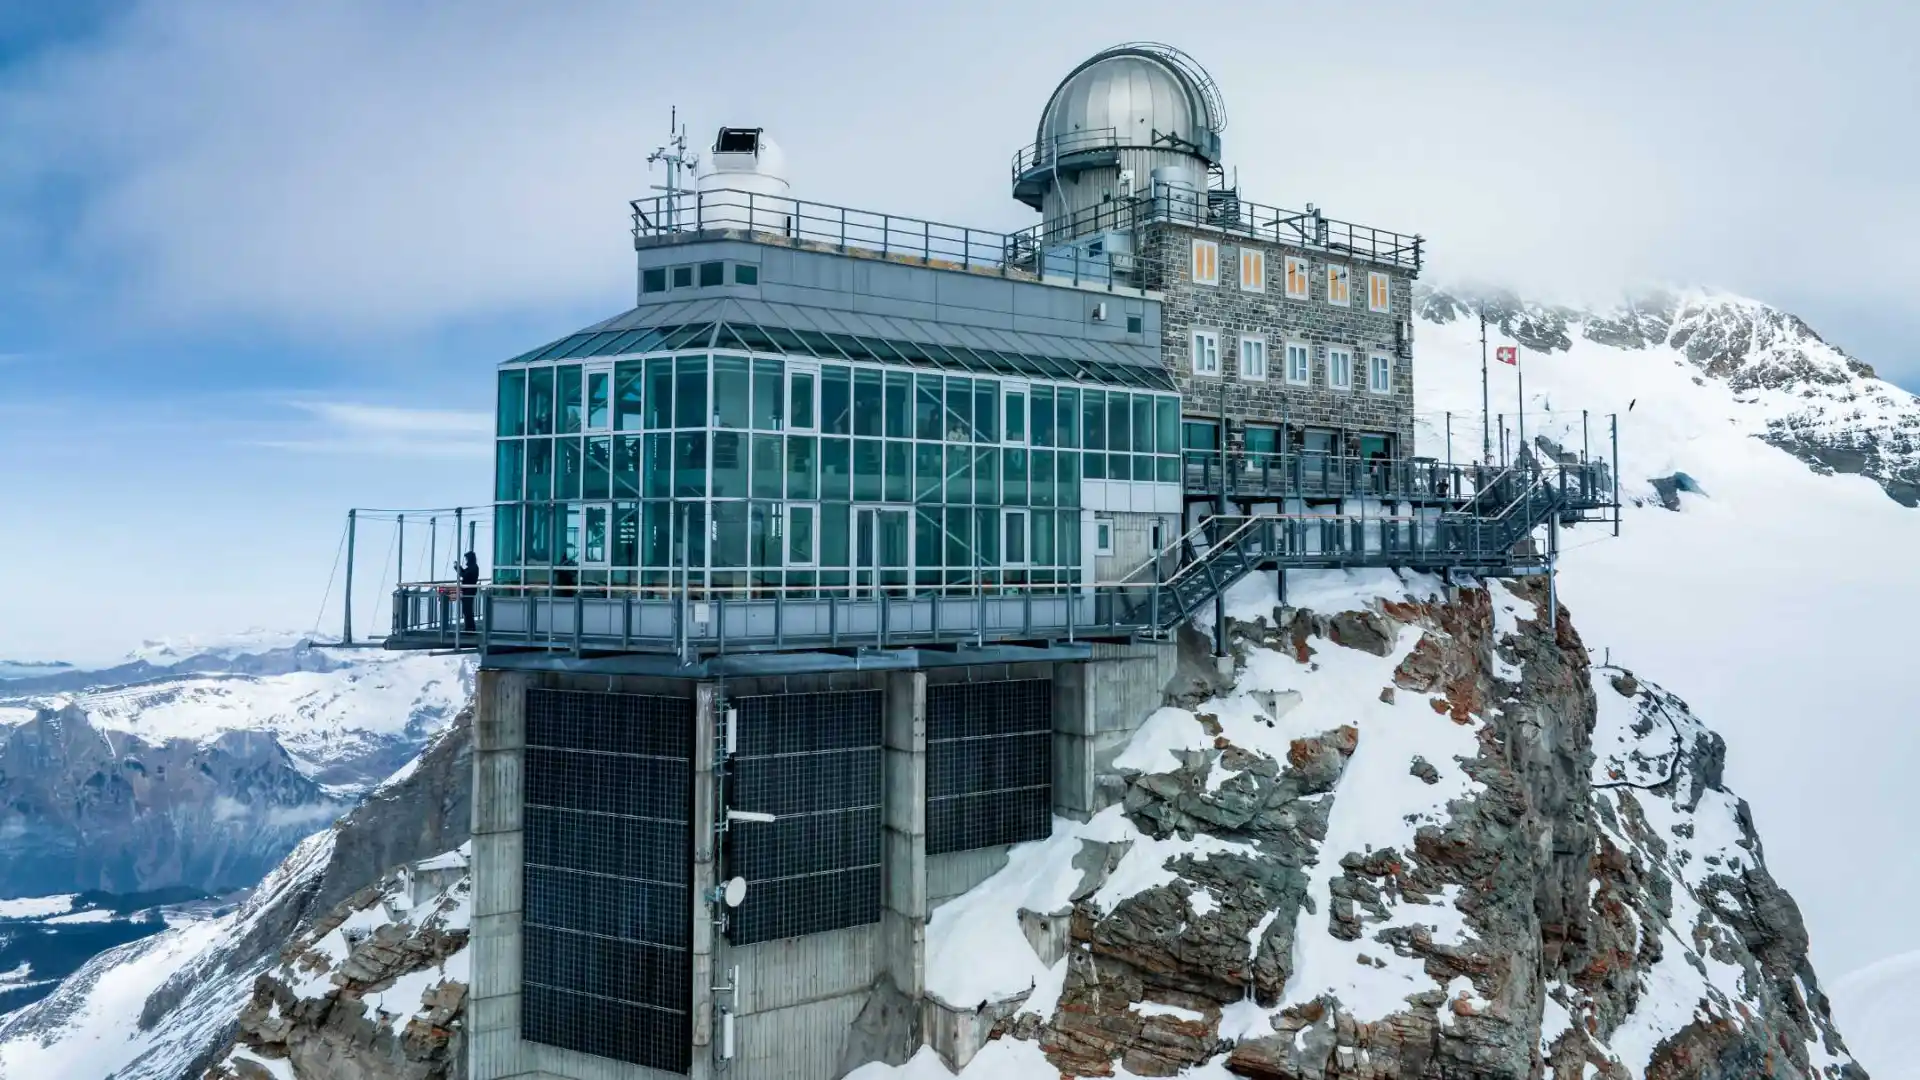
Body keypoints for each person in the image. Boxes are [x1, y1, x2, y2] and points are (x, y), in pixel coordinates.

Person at [458, 551, 480, 632]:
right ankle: (469, 628)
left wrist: (459, 569)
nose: (466, 560)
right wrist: (459, 568)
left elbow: (464, 575)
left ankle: (470, 628)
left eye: (467, 558)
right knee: (467, 610)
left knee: (467, 610)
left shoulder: (473, 567)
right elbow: (464, 574)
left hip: (469, 591)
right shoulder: (473, 567)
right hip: (469, 590)